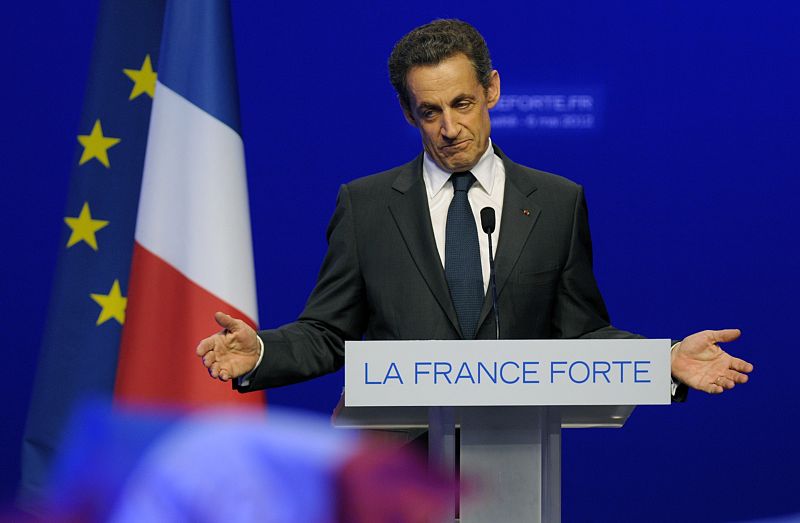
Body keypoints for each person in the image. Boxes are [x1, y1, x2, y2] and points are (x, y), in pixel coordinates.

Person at [195, 19, 752, 397]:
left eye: (462, 103)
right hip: (399, 469)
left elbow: (581, 336)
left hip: (516, 456)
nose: (449, 128)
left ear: (492, 90)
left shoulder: (557, 202)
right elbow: (328, 333)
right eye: (430, 111)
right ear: (407, 112)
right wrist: (264, 351)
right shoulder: (365, 207)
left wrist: (667, 360)